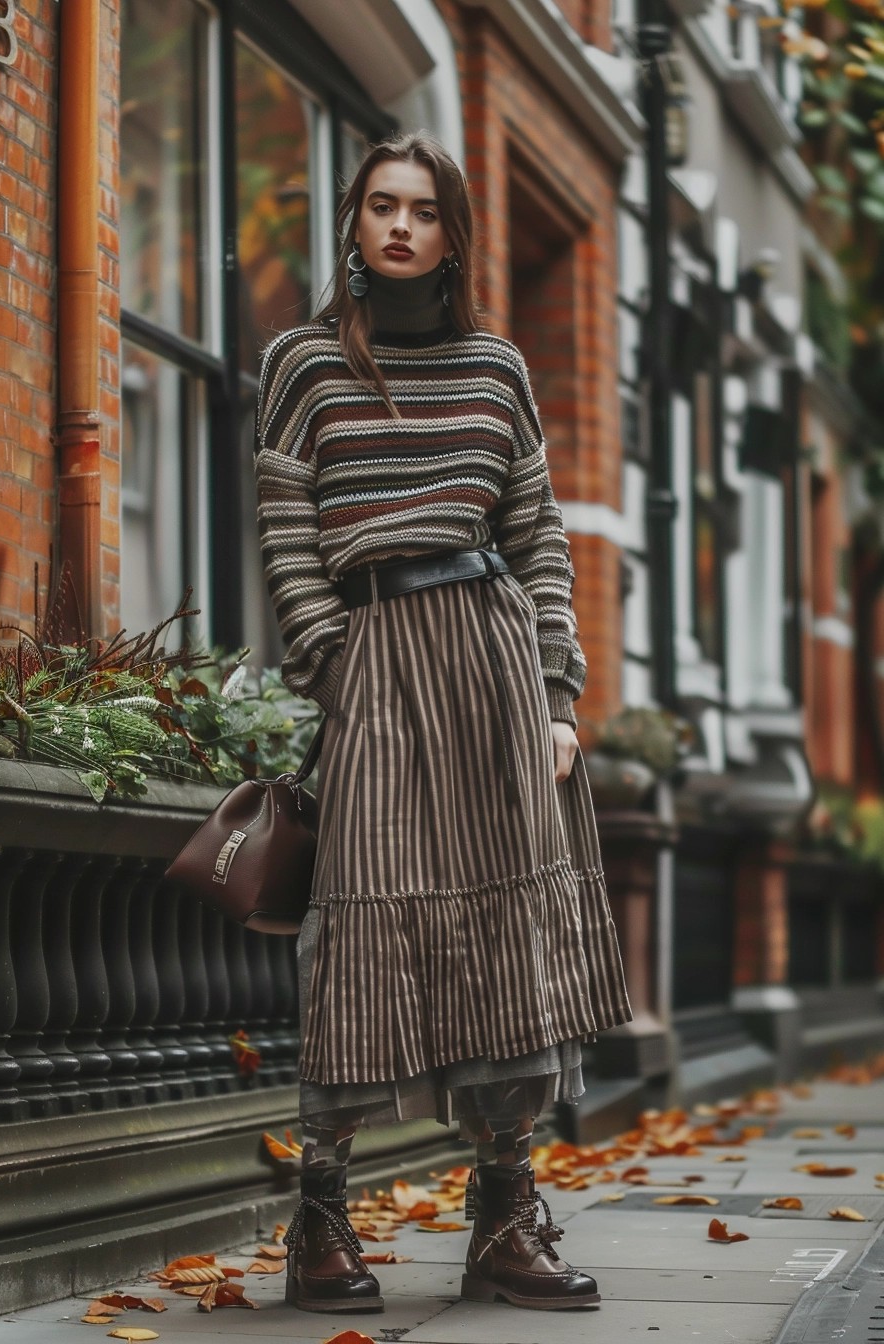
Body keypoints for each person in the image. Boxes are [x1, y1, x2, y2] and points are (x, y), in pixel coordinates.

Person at [255, 131, 631, 1315]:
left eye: (423, 208)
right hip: (373, 666)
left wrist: (557, 698)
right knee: (355, 935)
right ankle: (320, 1217)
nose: (402, 225)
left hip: (492, 667)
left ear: (452, 232)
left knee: (508, 933)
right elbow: (287, 534)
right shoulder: (304, 364)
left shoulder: (495, 368)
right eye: (381, 205)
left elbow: (538, 539)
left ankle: (501, 1215)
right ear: (354, 224)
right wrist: (333, 665)